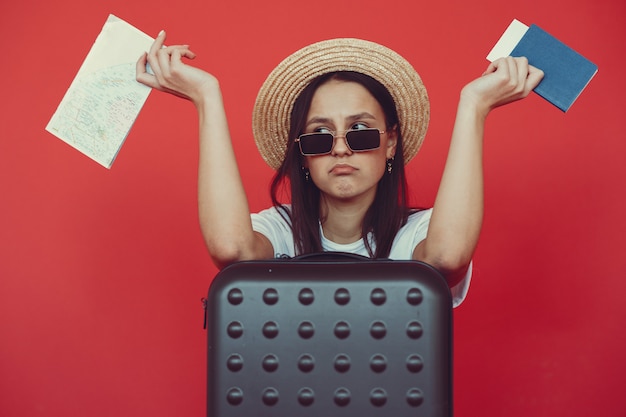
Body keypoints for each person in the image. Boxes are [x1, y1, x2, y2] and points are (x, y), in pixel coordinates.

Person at [136, 32, 543, 307]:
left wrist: (475, 106)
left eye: (361, 132)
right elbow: (231, 250)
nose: (341, 148)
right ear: (303, 156)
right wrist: (206, 97)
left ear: (391, 144)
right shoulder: (279, 229)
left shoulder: (419, 234)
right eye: (319, 136)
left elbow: (446, 258)